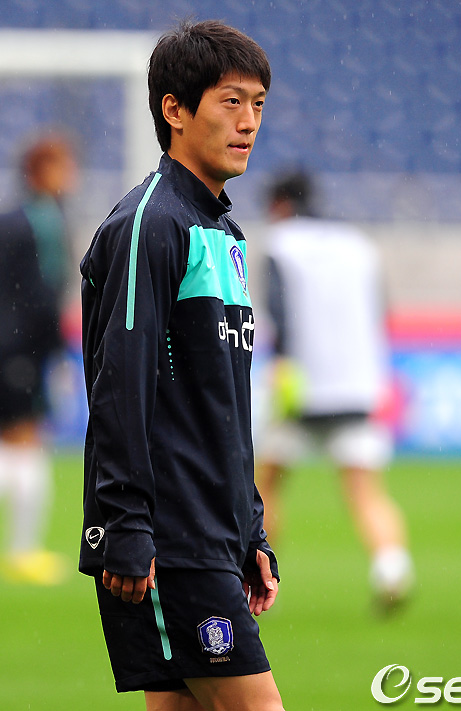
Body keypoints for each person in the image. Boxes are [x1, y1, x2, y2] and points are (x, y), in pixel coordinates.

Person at [79, 20, 284, 711]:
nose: (249, 122)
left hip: (209, 537)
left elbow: (221, 405)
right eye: (231, 101)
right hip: (169, 540)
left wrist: (250, 527)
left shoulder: (223, 232)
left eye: (258, 104)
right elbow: (122, 385)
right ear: (174, 109)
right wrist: (127, 526)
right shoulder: (151, 224)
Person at [255, 172, 414, 611]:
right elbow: (380, 309)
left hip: (301, 388)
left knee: (267, 485)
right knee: (365, 490)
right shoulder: (359, 244)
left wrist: (282, 365)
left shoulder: (281, 243)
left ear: (280, 205)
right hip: (358, 385)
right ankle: (392, 568)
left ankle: (257, 576)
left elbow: (278, 311)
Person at [0, 134, 77, 585]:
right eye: (62, 166)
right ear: (40, 170)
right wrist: (54, 352)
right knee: (24, 443)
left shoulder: (16, 218)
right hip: (21, 351)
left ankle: (24, 549)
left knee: (17, 442)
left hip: (13, 347)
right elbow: (44, 296)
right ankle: (24, 551)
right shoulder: (41, 220)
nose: (70, 176)